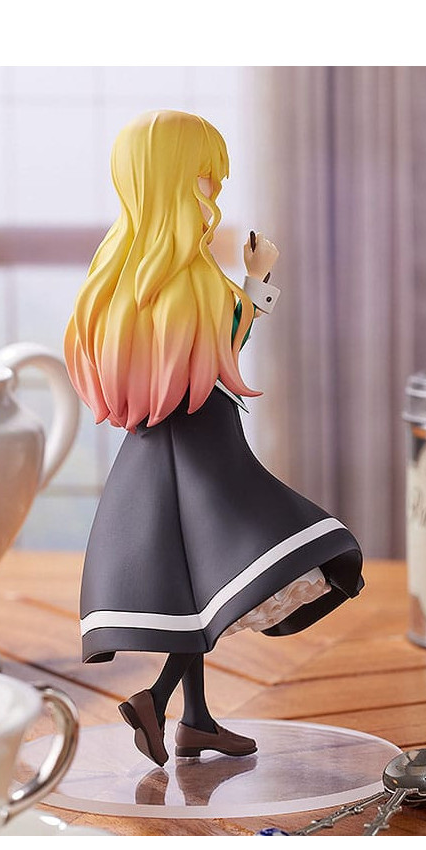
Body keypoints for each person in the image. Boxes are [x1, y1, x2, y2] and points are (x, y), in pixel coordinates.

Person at [64, 110, 364, 765]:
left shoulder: (116, 281)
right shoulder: (188, 279)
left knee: (191, 589)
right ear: (170, 180)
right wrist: (259, 281)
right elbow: (229, 341)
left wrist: (249, 287)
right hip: (203, 450)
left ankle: (194, 719)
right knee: (245, 559)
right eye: (205, 177)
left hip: (156, 452)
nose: (214, 192)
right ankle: (157, 699)